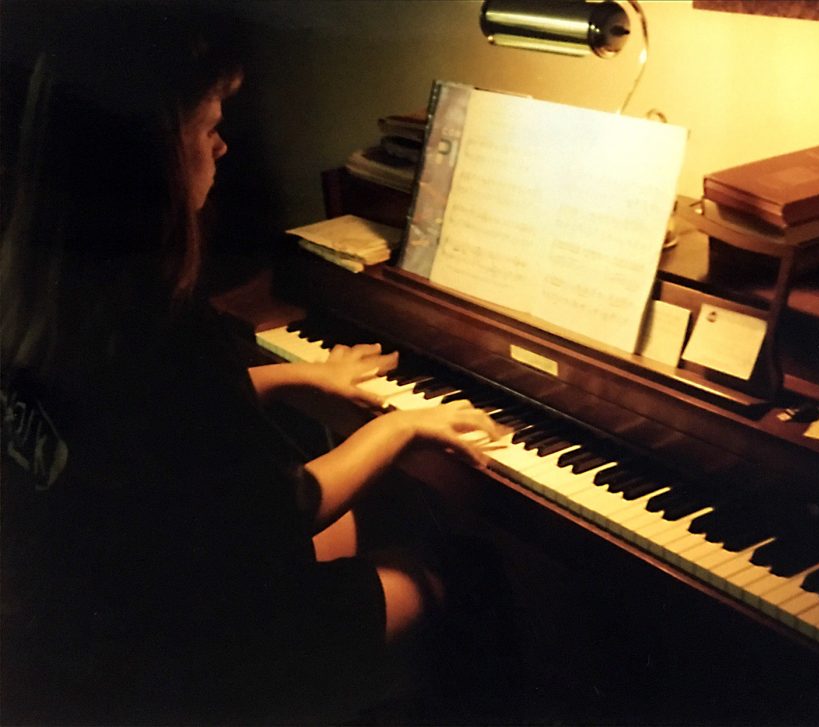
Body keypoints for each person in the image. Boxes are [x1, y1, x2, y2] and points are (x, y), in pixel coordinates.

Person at [0, 4, 506, 723]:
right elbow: (287, 509)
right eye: (209, 125)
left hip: (102, 615)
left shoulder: (49, 293)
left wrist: (298, 374)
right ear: (154, 155)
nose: (222, 145)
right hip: (197, 655)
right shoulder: (163, 326)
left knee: (373, 510)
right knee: (457, 570)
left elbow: (154, 420)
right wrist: (399, 429)